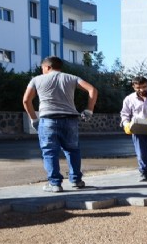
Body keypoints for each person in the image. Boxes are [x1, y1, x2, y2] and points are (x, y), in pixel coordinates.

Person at [22, 56, 98, 193]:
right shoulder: (71, 78)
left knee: (50, 152)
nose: (42, 70)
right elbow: (92, 90)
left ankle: (55, 184)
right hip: (70, 120)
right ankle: (76, 180)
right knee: (72, 150)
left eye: (42, 68)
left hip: (48, 120)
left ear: (47, 67)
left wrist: (34, 119)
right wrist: (89, 110)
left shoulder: (36, 80)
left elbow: (26, 100)